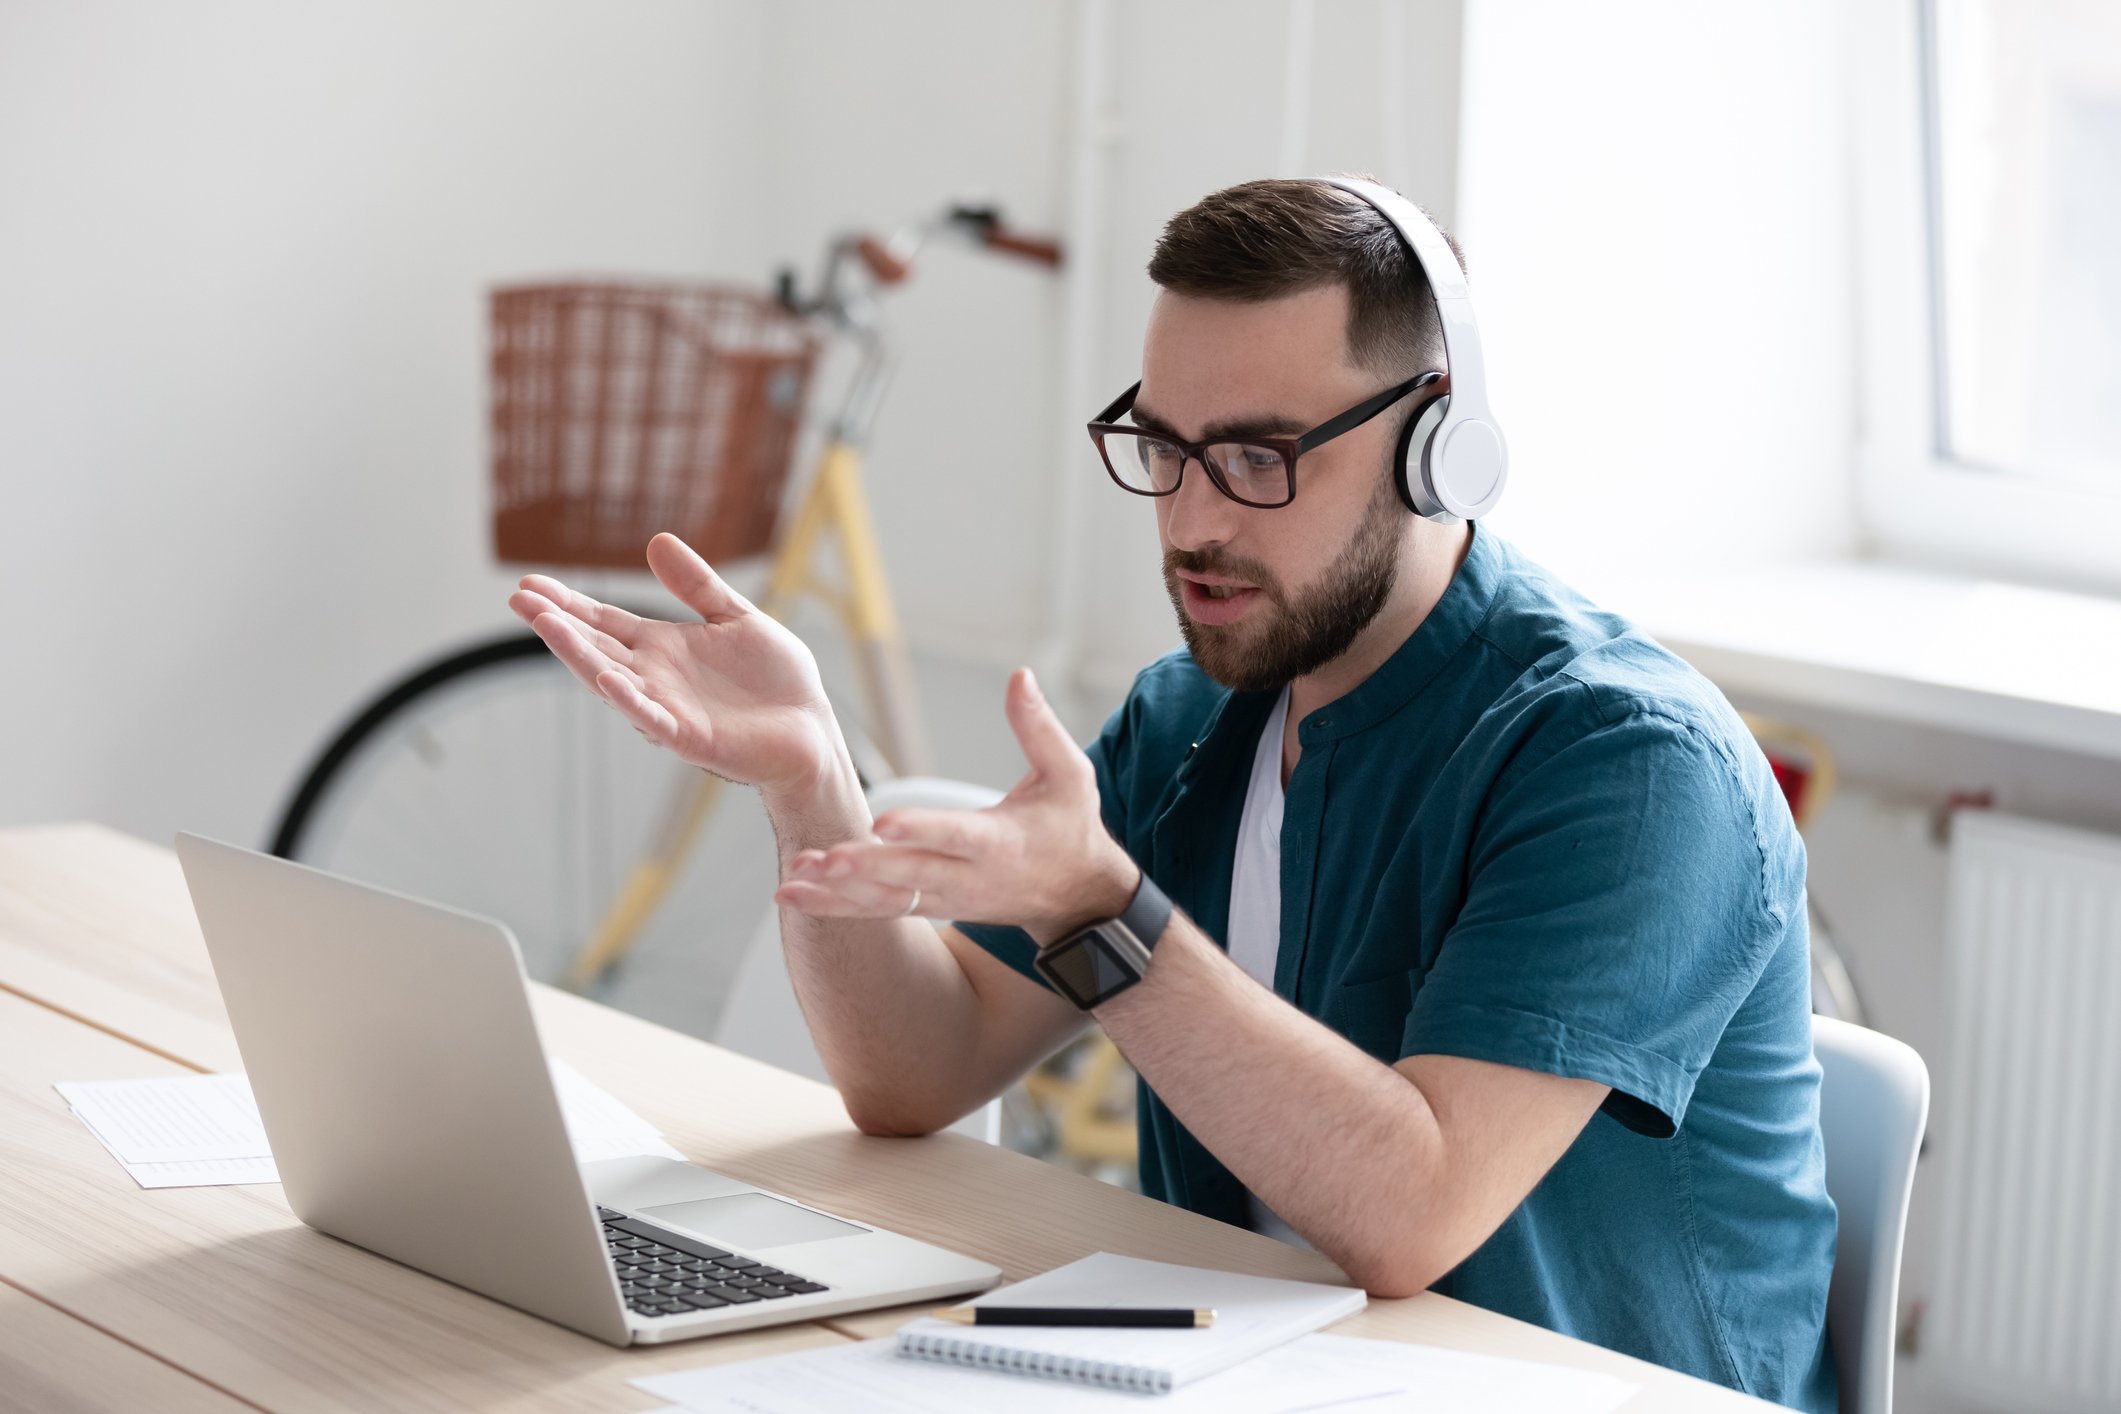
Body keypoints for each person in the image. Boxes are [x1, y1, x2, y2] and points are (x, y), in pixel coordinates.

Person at [509, 177, 1837, 1412]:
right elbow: (915, 1072)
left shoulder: (1623, 761)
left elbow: (1409, 1215)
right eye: (1163, 444)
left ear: (1440, 443)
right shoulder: (1197, 711)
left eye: (1258, 456)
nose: (1192, 520)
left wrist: (1106, 909)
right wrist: (809, 779)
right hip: (1246, 1368)